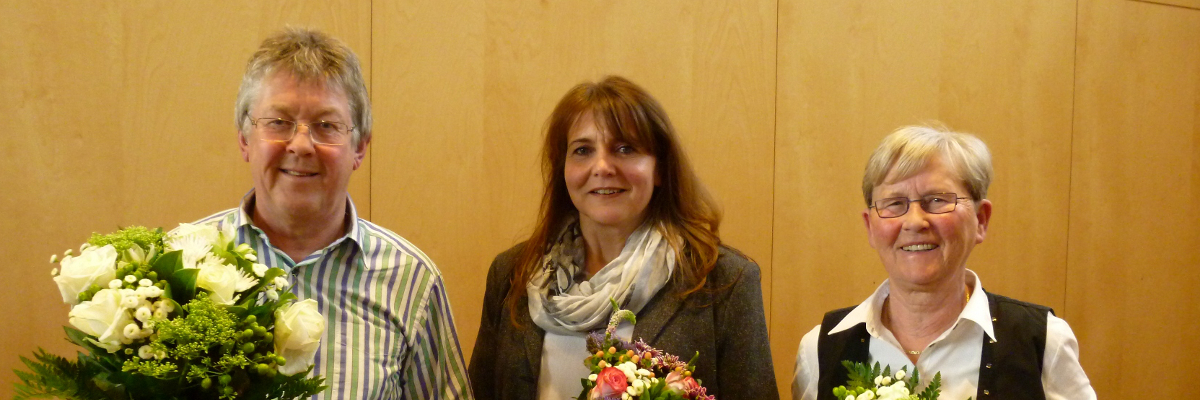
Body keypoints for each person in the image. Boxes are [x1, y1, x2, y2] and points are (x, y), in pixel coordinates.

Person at [188, 27, 472, 399]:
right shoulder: (180, 264)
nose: (301, 144)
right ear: (245, 139)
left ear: (360, 148)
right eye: (278, 122)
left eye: (326, 125)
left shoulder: (411, 281)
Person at [468, 76, 778, 400]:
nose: (602, 166)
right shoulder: (513, 274)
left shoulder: (723, 281)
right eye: (583, 150)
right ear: (563, 170)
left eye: (625, 148)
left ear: (659, 169)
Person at [791, 125, 1096, 400]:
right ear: (870, 227)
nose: (914, 222)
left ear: (981, 219)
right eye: (895, 203)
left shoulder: (1042, 342)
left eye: (937, 200)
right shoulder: (819, 350)